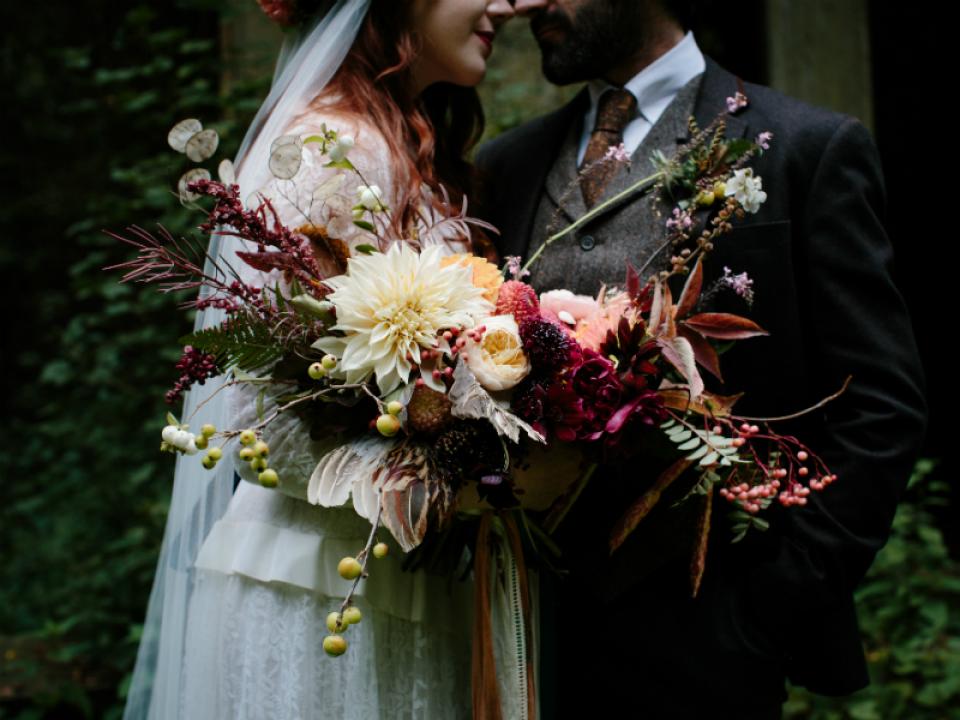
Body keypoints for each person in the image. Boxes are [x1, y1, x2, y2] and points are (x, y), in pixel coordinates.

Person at [475, 1, 928, 717]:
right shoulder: (509, 164)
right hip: (527, 629)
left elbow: (881, 405)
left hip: (713, 640)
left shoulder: (808, 147)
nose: (528, 2)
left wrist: (770, 602)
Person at [122, 1, 523, 718]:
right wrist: (440, 474)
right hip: (316, 592)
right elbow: (256, 421)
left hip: (402, 580)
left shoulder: (409, 150)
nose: (505, 4)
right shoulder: (328, 151)